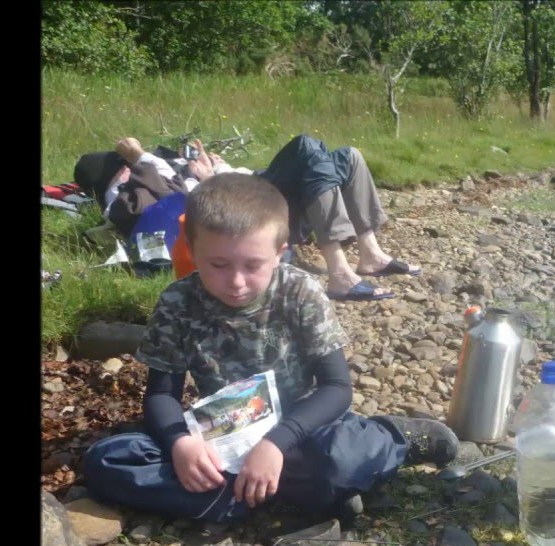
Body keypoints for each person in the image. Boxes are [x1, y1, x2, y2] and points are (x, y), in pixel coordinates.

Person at [81, 173, 458, 523]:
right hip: (223, 431)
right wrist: (180, 444)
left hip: (299, 425)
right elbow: (162, 394)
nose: (236, 281)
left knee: (344, 458)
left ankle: (393, 438)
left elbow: (336, 388)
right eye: (218, 264)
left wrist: (275, 444)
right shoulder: (178, 302)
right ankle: (289, 493)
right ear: (191, 249)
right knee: (108, 460)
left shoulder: (299, 292)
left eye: (253, 265)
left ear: (281, 252)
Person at [75, 134, 419, 302]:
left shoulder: (170, 165)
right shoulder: (128, 186)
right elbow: (198, 203)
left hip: (257, 183)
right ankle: (340, 272)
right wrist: (206, 177)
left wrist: (217, 164)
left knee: (349, 156)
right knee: (307, 147)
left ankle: (370, 253)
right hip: (250, 203)